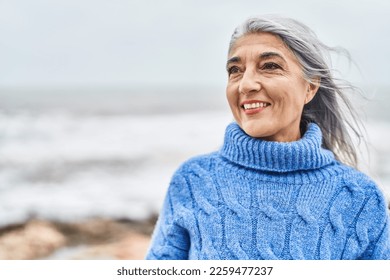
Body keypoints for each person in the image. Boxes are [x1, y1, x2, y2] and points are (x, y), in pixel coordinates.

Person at [145, 15, 390, 260]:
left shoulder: (360, 197)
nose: (246, 84)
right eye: (235, 70)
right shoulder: (193, 181)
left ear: (310, 86)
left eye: (270, 66)